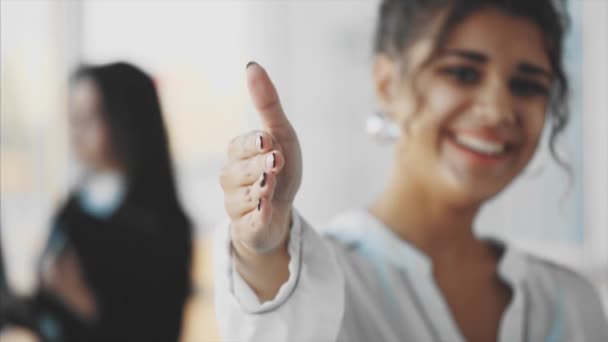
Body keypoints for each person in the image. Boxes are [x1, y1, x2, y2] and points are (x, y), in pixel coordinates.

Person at [214, 0, 608, 341]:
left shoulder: (570, 303)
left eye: (527, 85)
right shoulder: (319, 281)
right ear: (387, 85)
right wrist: (260, 254)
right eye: (462, 73)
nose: (498, 110)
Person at [1, 62, 192, 341]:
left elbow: (159, 330)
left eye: (88, 119)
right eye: (73, 119)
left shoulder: (161, 227)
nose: (76, 133)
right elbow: (47, 311)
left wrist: (83, 302)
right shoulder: (73, 207)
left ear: (125, 119)